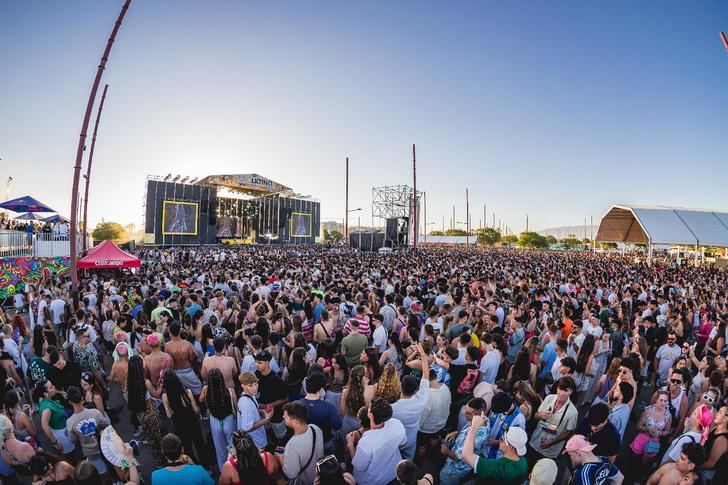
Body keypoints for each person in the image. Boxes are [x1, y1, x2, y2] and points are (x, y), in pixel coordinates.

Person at [349, 397, 407, 485]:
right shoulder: (397, 424)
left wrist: (350, 445)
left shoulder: (366, 442)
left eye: (369, 407)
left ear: (370, 415)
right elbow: (403, 444)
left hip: (373, 480)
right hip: (393, 472)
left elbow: (359, 466)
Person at [461, 416, 529, 485]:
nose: (499, 440)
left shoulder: (496, 468)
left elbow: (466, 455)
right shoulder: (523, 463)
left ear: (510, 447)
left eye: (502, 439)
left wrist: (474, 427)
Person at [392, 343, 431, 460]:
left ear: (400, 387)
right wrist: (423, 354)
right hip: (411, 438)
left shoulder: (393, 408)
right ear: (415, 390)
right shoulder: (421, 400)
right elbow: (426, 375)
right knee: (408, 461)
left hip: (396, 441)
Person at [439, 397, 489, 485]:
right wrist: (457, 433)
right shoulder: (484, 419)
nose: (464, 413)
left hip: (455, 469)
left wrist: (446, 450)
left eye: (468, 413)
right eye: (465, 409)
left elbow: (458, 457)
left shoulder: (477, 437)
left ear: (479, 414)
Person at [65, 386, 110, 476]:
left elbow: (74, 440)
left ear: (70, 402)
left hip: (90, 453)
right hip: (105, 447)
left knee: (102, 473)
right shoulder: (95, 412)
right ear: (82, 398)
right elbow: (106, 426)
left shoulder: (70, 422)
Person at [277, 401, 324, 485]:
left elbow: (291, 474)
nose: (283, 417)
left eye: (286, 417)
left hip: (306, 481)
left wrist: (280, 458)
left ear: (294, 422)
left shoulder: (292, 445)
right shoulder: (315, 428)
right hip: (319, 476)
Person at [298, 371, 341, 453]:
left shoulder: (296, 405)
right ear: (321, 388)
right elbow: (337, 427)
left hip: (303, 445)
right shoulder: (329, 408)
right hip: (324, 444)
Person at [33, 379, 75, 454]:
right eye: (51, 387)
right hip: (62, 434)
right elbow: (44, 425)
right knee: (70, 451)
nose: (54, 387)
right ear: (45, 393)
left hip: (60, 428)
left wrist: (62, 392)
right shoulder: (47, 409)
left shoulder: (42, 398)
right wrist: (55, 442)